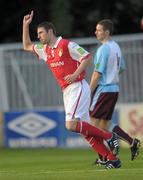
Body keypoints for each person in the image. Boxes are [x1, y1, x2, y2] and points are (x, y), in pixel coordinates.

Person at [23, 11, 121, 169]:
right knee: (83, 131)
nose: (39, 36)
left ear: (50, 31)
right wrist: (25, 25)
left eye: (41, 33)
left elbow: (87, 57)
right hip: (67, 91)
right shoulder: (45, 50)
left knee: (70, 126)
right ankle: (112, 159)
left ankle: (109, 136)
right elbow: (26, 46)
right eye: (37, 33)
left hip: (78, 87)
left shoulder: (66, 44)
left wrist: (75, 74)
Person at [89, 19, 141, 165]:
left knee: (91, 125)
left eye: (98, 30)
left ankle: (103, 157)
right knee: (105, 125)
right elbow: (122, 68)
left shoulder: (103, 49)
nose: (95, 32)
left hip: (104, 90)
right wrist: (112, 75)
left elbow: (97, 73)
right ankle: (132, 142)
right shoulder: (116, 47)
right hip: (114, 90)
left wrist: (88, 91)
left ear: (106, 32)